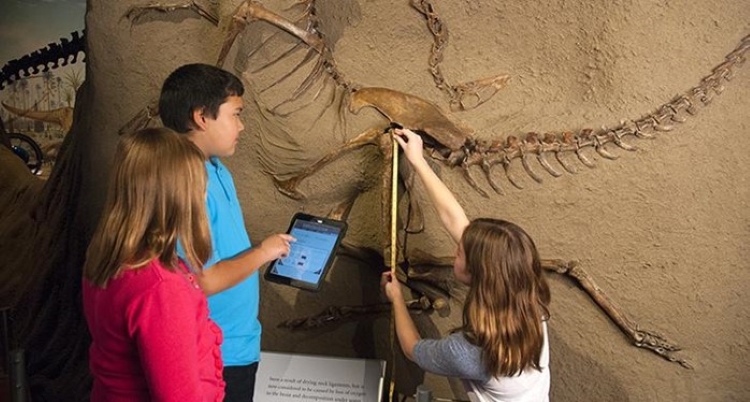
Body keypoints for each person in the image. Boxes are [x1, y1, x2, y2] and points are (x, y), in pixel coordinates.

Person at [382, 128, 552, 402]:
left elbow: (412, 349)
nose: (455, 249)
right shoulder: (532, 307)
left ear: (478, 271)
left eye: (459, 252)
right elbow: (455, 220)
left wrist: (397, 298)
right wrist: (418, 160)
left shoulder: (468, 351)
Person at [158, 63, 293, 402]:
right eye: (235, 114)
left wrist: (265, 248)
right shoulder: (187, 182)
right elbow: (203, 280)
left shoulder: (217, 170)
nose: (242, 126)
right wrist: (264, 253)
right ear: (202, 117)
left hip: (237, 344)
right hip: (212, 350)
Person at [82, 127, 224, 401]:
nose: (203, 196)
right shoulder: (161, 288)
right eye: (197, 186)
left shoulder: (109, 258)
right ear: (175, 197)